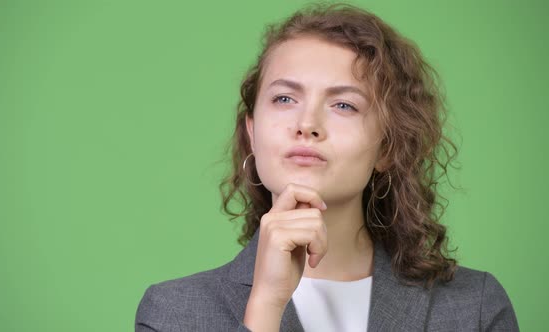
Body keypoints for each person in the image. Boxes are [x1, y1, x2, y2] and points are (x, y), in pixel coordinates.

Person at [135, 2, 519, 331]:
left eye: (344, 105)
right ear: (251, 132)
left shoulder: (474, 308)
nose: (307, 124)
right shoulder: (172, 313)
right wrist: (265, 307)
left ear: (388, 146)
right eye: (284, 98)